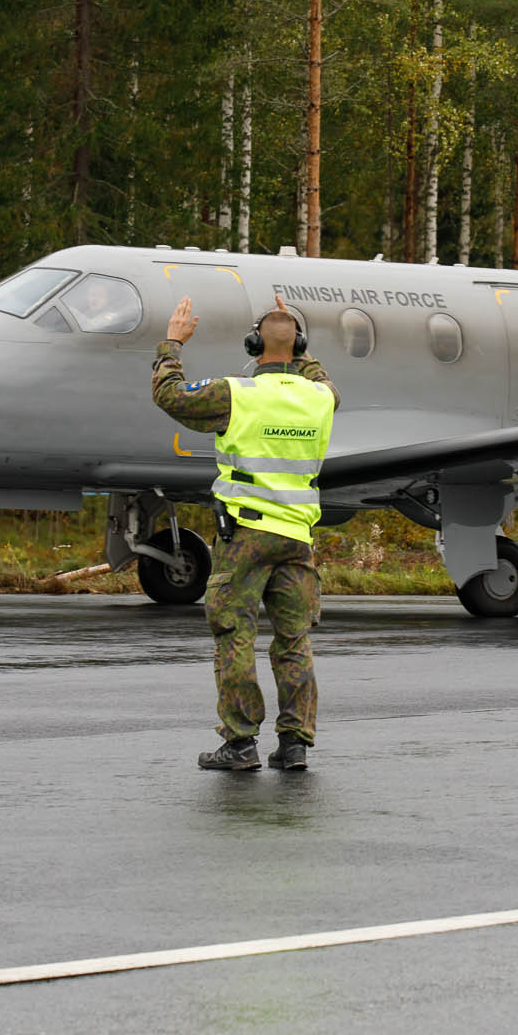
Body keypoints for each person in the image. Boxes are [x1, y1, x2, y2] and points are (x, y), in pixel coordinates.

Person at [151, 296, 339, 771]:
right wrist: (296, 334)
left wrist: (172, 342)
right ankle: (294, 743)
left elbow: (169, 394)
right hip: (297, 538)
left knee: (235, 634)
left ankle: (239, 744)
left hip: (247, 535)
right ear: (300, 347)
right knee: (293, 641)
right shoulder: (321, 397)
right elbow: (319, 377)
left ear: (253, 344)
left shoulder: (237, 393)